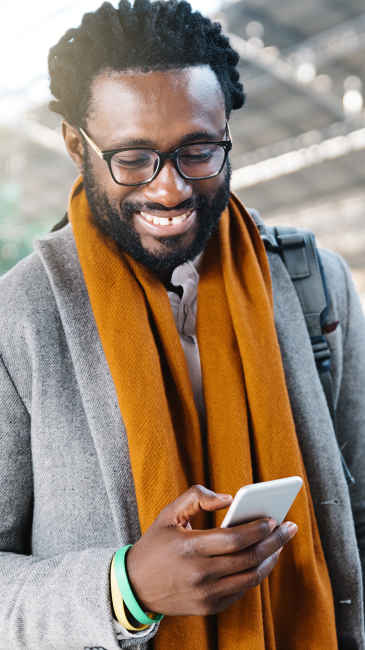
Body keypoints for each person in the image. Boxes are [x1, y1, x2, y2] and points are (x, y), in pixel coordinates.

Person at [0, 1, 364, 648]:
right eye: (132, 158)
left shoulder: (314, 283)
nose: (169, 190)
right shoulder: (19, 321)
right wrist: (125, 587)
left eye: (197, 151)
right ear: (74, 144)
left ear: (226, 131)